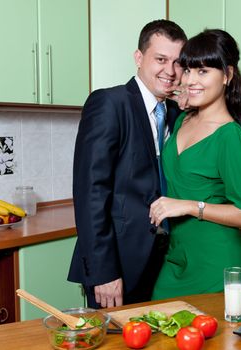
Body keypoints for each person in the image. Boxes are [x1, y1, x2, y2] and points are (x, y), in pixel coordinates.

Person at [68, 20, 187, 308]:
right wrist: (104, 271)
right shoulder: (109, 103)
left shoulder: (174, 112)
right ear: (139, 57)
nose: (170, 72)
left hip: (163, 260)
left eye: (178, 62)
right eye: (160, 59)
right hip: (117, 263)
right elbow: (91, 194)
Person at [149, 29, 241, 300]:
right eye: (188, 70)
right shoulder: (182, 120)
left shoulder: (229, 136)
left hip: (216, 265)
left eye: (203, 72)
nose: (190, 80)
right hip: (177, 258)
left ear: (227, 75)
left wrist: (190, 206)